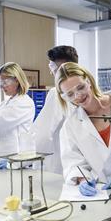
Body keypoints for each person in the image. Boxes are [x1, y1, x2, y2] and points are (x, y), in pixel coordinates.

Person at [57, 62, 111, 196]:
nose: (78, 96)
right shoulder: (71, 125)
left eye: (80, 87)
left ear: (89, 81)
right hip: (99, 191)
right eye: (70, 95)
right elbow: (73, 162)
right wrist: (83, 180)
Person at [31, 46, 79, 174]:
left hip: (56, 167)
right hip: (76, 166)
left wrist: (26, 159)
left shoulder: (56, 93)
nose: (51, 73)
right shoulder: (81, 91)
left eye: (53, 68)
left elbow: (43, 135)